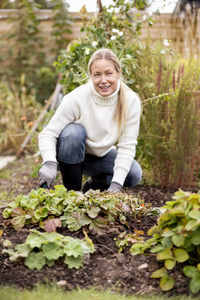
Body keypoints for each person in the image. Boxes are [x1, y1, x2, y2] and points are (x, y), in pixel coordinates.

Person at [38, 48, 142, 193]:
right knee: (74, 132)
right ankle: (72, 193)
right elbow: (47, 134)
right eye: (97, 74)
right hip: (68, 155)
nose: (103, 80)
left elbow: (127, 147)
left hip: (99, 158)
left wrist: (116, 185)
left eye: (109, 73)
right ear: (91, 76)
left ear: (119, 73)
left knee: (133, 173)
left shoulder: (131, 101)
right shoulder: (77, 98)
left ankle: (94, 185)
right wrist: (49, 163)